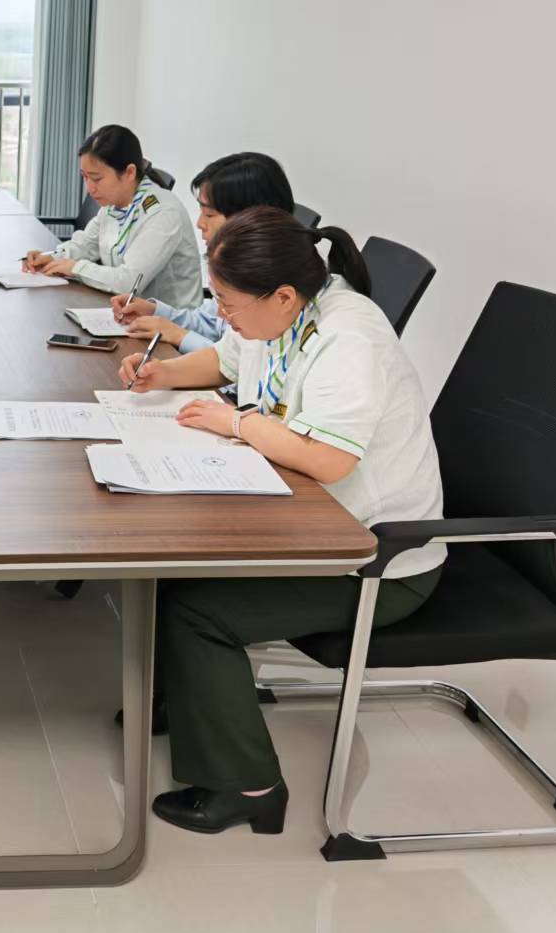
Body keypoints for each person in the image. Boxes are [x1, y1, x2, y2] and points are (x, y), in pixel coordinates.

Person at [117, 207, 444, 836]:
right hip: (312, 518)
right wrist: (162, 374)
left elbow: (327, 459)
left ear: (284, 295)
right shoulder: (281, 309)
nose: (222, 314)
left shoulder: (349, 338)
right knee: (170, 559)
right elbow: (227, 359)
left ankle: (251, 788)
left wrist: (237, 423)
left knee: (197, 610)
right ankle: (184, 702)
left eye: (228, 303)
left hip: (377, 559)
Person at [111, 151, 296, 353]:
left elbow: (239, 361)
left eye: (209, 214)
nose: (200, 223)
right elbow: (213, 323)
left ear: (248, 218)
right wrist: (156, 312)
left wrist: (180, 335)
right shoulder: (236, 266)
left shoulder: (272, 282)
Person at [22, 125, 201, 307]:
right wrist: (53, 257)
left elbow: (129, 282)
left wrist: (75, 268)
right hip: (125, 310)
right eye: (85, 177)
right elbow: (86, 245)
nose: (90, 188)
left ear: (129, 173)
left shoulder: (163, 212)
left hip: (169, 320)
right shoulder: (113, 205)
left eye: (96, 178)